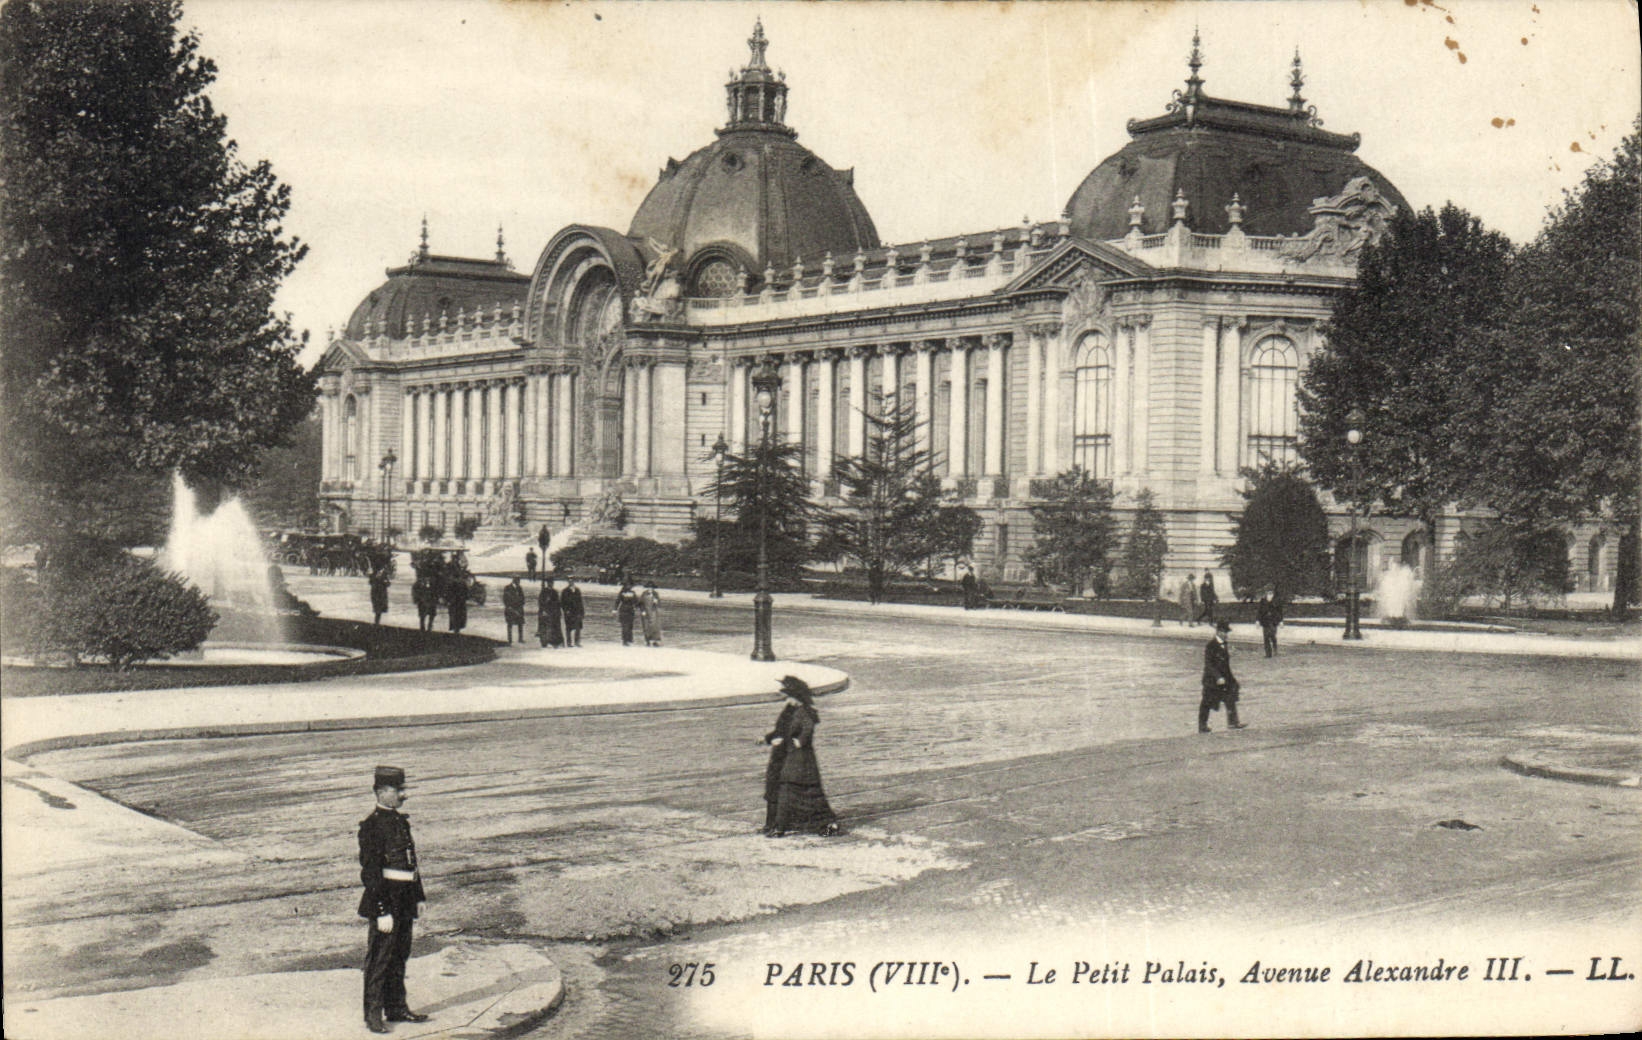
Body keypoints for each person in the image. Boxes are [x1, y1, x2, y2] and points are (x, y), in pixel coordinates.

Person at [357, 765, 429, 1033]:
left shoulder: (400, 821)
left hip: (405, 899)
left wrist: (419, 896)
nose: (404, 794)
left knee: (400, 955)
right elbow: (371, 872)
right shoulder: (371, 826)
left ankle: (397, 1008)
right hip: (385, 899)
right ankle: (373, 1015)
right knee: (379, 959)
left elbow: (412, 863)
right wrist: (381, 910)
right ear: (381, 792)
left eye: (403, 789)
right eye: (399, 790)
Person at [764, 676, 840, 837]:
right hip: (789, 758)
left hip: (801, 760)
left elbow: (806, 731)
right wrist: (772, 739)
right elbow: (784, 730)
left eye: (788, 696)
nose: (785, 699)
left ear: (796, 697)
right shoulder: (791, 711)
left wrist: (795, 741)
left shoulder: (804, 712)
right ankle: (779, 826)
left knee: (800, 791)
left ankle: (825, 824)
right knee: (789, 790)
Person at [1199, 619, 1247, 733]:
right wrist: (1218, 677)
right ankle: (1202, 726)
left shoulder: (1224, 645)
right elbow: (1209, 664)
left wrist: (1231, 679)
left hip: (1225, 678)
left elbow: (1225, 665)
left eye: (1227, 633)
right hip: (1211, 680)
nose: (1226, 635)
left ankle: (1233, 722)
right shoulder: (1211, 646)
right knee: (1206, 702)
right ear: (1219, 632)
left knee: (1231, 697)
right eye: (1225, 632)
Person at [537, 578, 564, 648]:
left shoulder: (554, 592)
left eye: (552, 583)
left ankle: (555, 642)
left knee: (555, 627)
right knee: (544, 627)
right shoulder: (544, 591)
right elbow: (540, 602)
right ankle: (544, 641)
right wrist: (544, 608)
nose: (551, 584)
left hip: (553, 612)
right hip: (546, 611)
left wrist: (558, 611)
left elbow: (558, 602)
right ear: (548, 583)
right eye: (550, 583)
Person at [1257, 591, 1284, 658]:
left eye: (1271, 594)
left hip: (1273, 622)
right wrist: (1257, 621)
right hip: (1265, 622)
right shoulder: (1263, 602)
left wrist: (1281, 621)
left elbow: (1280, 612)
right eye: (1268, 594)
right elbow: (1259, 612)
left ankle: (1275, 648)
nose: (1270, 596)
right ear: (1266, 595)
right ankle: (1268, 654)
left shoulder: (1276, 602)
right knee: (1266, 638)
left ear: (1273, 595)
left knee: (1272, 636)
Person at [614, 579, 640, 646]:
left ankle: (626, 640)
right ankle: (627, 640)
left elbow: (617, 601)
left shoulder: (622, 593)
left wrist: (615, 609)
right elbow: (636, 602)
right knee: (628, 626)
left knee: (626, 626)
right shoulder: (632, 593)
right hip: (629, 610)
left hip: (624, 610)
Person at [501, 577, 526, 644]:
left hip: (519, 608)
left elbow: (523, 598)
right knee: (510, 624)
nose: (518, 582)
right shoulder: (507, 588)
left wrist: (521, 605)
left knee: (520, 623)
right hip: (510, 609)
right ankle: (510, 640)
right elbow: (505, 598)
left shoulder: (519, 588)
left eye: (519, 581)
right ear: (514, 581)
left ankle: (520, 639)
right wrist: (509, 606)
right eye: (517, 581)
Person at [560, 578, 584, 647]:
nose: (571, 582)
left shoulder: (577, 590)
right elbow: (562, 603)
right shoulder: (565, 591)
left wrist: (582, 612)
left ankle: (577, 642)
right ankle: (569, 642)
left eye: (572, 581)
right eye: (569, 581)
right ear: (568, 582)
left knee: (578, 627)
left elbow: (580, 602)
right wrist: (566, 610)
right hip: (569, 612)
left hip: (577, 612)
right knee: (569, 628)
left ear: (574, 581)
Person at [639, 581, 663, 647]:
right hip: (645, 612)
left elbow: (659, 603)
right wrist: (643, 611)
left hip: (653, 612)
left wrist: (657, 602)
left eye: (651, 587)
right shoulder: (644, 594)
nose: (650, 589)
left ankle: (655, 641)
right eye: (649, 587)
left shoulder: (656, 594)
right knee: (646, 626)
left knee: (654, 626)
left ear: (653, 588)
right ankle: (647, 640)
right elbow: (640, 604)